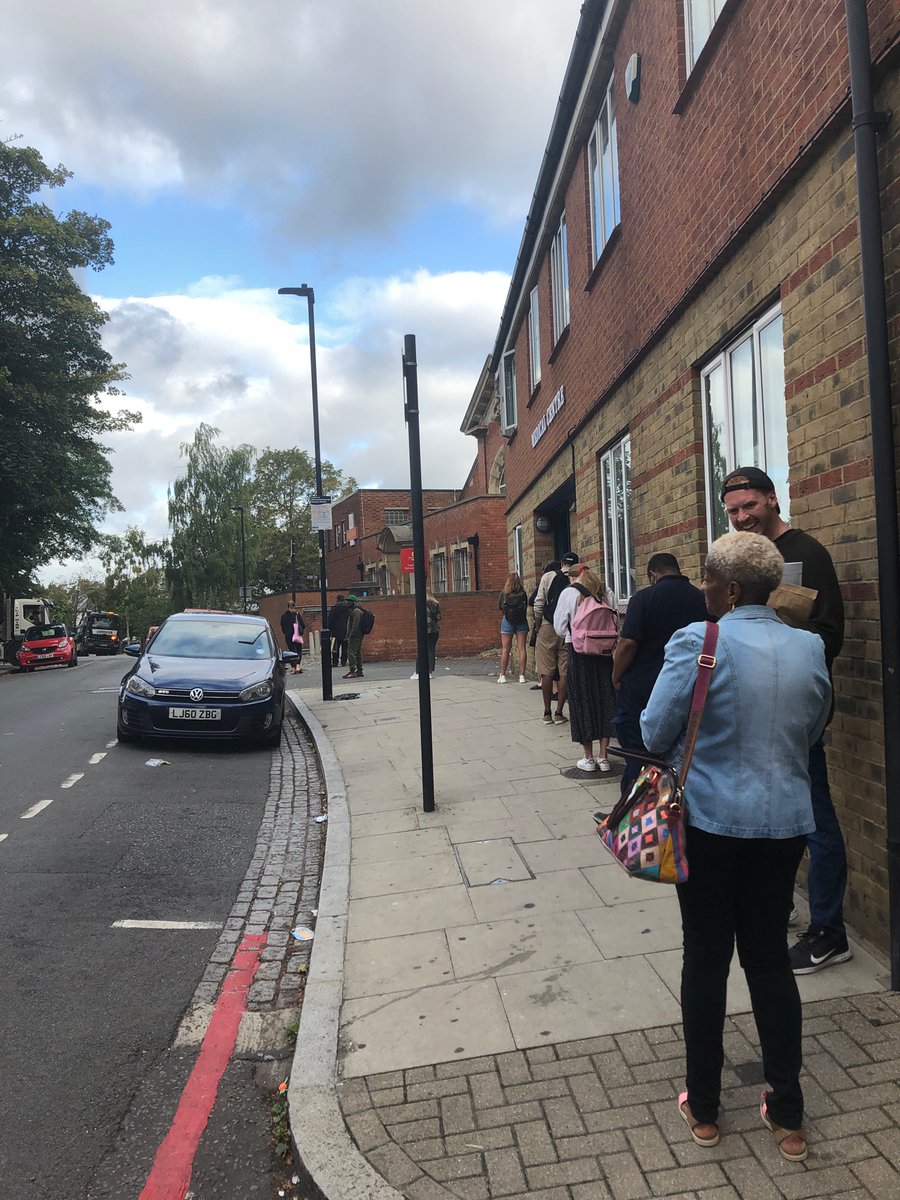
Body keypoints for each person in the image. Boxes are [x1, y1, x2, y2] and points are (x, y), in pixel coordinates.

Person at [641, 531, 831, 1162]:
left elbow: (653, 727)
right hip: (784, 825)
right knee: (770, 960)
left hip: (710, 823)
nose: (703, 589)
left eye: (706, 580)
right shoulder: (807, 647)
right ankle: (787, 1113)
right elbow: (814, 725)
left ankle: (703, 1107)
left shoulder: (702, 641)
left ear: (725, 587)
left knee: (706, 958)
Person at [720, 466, 849, 975]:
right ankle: (779, 906)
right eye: (732, 511)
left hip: (792, 711)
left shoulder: (807, 553)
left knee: (814, 816)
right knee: (762, 812)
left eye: (749, 506)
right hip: (747, 709)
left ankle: (829, 932)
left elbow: (829, 636)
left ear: (772, 500)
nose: (741, 517)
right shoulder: (737, 557)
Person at [611, 553, 708, 799]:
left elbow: (628, 644)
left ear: (652, 574)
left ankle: (631, 820)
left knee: (637, 759)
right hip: (690, 692)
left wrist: (616, 675)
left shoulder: (643, 598)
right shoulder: (701, 599)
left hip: (642, 690)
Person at [553, 565, 617, 772]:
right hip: (604, 654)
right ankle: (604, 757)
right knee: (605, 699)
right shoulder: (606, 593)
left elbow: (559, 627)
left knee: (582, 701)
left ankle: (588, 758)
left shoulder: (569, 593)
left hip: (578, 652)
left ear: (576, 579)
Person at [532, 554, 576, 724]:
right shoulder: (577, 577)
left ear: (562, 563)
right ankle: (559, 712)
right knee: (564, 671)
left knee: (546, 670)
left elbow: (539, 603)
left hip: (548, 626)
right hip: (568, 630)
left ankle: (547, 712)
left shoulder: (548, 576)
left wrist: (538, 626)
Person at [497, 572, 529, 684]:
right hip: (521, 621)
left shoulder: (504, 593)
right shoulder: (523, 593)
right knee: (522, 649)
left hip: (507, 621)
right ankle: (522, 676)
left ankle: (502, 675)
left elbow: (500, 607)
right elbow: (526, 606)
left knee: (506, 649)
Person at [411, 589, 442, 679]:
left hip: (424, 630)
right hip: (435, 630)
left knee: (421, 651)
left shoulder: (421, 604)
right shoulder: (436, 604)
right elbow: (439, 617)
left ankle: (418, 672)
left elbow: (418, 617)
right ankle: (429, 672)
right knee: (431, 650)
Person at [279, 601, 305, 674]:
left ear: (288, 606)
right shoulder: (296, 615)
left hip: (288, 636)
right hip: (296, 635)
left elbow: (282, 627)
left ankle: (293, 668)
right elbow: (303, 625)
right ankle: (297, 666)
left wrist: (286, 633)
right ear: (294, 606)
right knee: (298, 651)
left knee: (291, 651)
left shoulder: (283, 616)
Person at [344, 595, 364, 679]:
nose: (348, 602)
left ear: (354, 602)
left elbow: (355, 625)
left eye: (350, 601)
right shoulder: (356, 610)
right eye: (347, 601)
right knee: (358, 652)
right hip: (358, 635)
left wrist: (351, 635)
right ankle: (359, 670)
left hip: (355, 635)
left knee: (351, 653)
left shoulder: (356, 611)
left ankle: (353, 671)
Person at [329, 595, 350, 667]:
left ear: (337, 600)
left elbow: (330, 620)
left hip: (335, 631)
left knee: (335, 648)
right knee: (345, 647)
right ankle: (343, 662)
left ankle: (335, 662)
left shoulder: (334, 608)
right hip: (346, 631)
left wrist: (329, 629)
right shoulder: (348, 608)